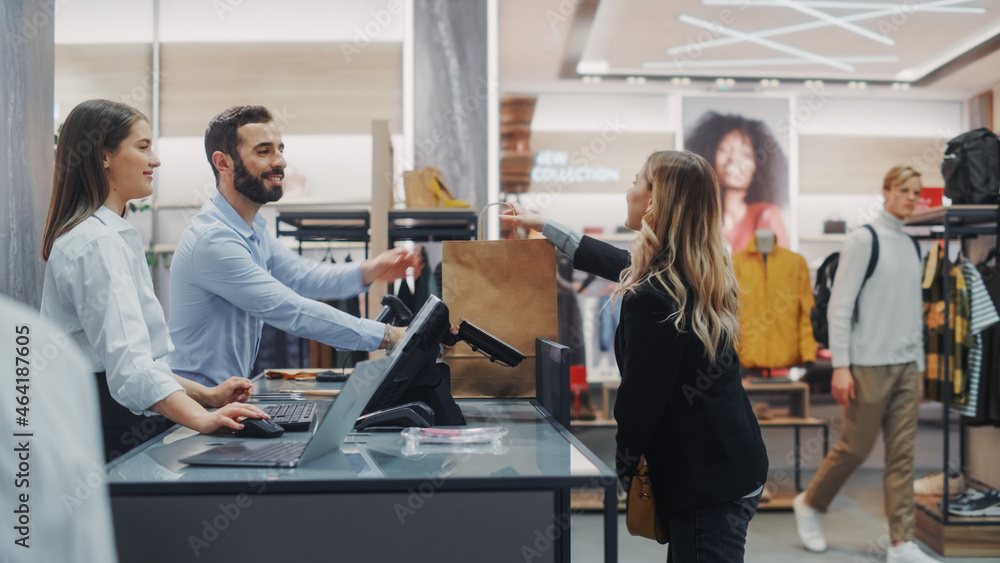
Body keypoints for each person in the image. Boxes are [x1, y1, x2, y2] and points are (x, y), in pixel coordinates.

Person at [502, 150, 769, 562]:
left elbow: (640, 402)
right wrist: (549, 228)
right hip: (733, 460)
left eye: (635, 182)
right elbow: (623, 262)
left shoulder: (654, 296)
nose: (628, 190)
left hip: (706, 479)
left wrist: (626, 470)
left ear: (653, 201)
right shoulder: (697, 271)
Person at [40, 100, 269, 461]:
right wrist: (203, 419)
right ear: (103, 156)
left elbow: (134, 360)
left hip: (103, 418)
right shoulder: (98, 243)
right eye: (143, 147)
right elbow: (129, 368)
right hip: (106, 429)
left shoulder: (106, 236)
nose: (155, 160)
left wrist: (207, 397)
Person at [168, 105, 421, 386]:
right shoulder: (213, 241)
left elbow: (302, 276)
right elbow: (292, 311)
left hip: (225, 399)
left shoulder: (251, 230)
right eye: (264, 151)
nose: (280, 162)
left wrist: (368, 271)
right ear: (223, 163)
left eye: (280, 149)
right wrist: (389, 336)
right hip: (194, 409)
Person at [792, 166, 937, 562]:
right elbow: (840, 307)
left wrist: (920, 366)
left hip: (907, 364)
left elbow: (914, 312)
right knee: (855, 448)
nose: (912, 197)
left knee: (902, 453)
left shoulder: (912, 246)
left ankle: (900, 543)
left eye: (917, 192)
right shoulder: (863, 239)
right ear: (886, 191)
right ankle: (809, 503)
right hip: (867, 364)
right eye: (904, 190)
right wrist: (841, 365)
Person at [685, 111, 789, 252]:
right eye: (724, 149)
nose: (734, 159)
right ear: (707, 155)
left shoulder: (767, 215)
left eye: (745, 153)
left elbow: (781, 270)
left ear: (758, 167)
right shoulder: (694, 216)